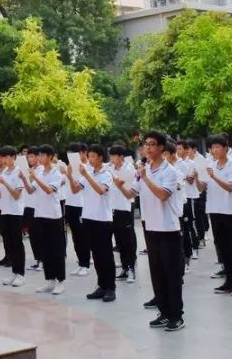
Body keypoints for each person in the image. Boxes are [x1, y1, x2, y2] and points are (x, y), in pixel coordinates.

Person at [137, 131, 184, 332]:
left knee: (171, 274)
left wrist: (145, 178)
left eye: (152, 144)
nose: (148, 148)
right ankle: (164, 312)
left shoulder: (169, 172)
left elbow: (163, 195)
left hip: (168, 228)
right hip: (151, 227)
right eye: (146, 144)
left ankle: (176, 316)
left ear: (162, 148)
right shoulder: (144, 169)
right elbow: (133, 191)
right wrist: (119, 184)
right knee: (157, 273)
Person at [200, 134, 232, 296]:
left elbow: (230, 187)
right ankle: (229, 280)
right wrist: (199, 178)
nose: (214, 150)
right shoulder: (211, 164)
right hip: (214, 210)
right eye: (212, 147)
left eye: (218, 147)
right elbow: (201, 188)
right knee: (222, 247)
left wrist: (214, 176)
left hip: (229, 211)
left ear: (225, 148)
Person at [77, 143, 117, 302]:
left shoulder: (106, 174)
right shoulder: (88, 172)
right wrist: (69, 174)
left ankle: (110, 287)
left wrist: (87, 176)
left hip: (102, 219)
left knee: (106, 254)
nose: (90, 159)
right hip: (88, 217)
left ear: (101, 157)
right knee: (96, 254)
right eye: (89, 157)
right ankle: (101, 285)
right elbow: (75, 189)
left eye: (93, 156)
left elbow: (101, 191)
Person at [29, 145, 67, 295]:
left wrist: (36, 179)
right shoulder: (38, 171)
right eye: (39, 155)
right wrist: (25, 180)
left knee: (56, 249)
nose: (40, 158)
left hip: (53, 215)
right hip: (40, 214)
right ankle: (49, 279)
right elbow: (31, 190)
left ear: (51, 157)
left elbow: (48, 190)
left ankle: (60, 281)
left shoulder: (56, 173)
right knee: (45, 250)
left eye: (43, 155)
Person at [0, 146, 27, 287]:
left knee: (17, 243)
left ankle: (21, 274)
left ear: (14, 157)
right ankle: (14, 272)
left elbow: (16, 194)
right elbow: (2, 195)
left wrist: (4, 183)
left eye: (8, 157)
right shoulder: (5, 172)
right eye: (3, 157)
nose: (5, 160)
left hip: (16, 212)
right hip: (6, 211)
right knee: (10, 242)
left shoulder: (19, 172)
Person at [62, 142, 92, 277]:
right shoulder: (69, 167)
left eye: (78, 153)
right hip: (70, 204)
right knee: (75, 235)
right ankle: (81, 262)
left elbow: (78, 187)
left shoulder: (87, 168)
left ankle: (86, 263)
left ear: (84, 152)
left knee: (83, 236)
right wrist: (66, 173)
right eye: (71, 154)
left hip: (82, 205)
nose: (74, 157)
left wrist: (69, 175)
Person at [109, 145, 138, 282]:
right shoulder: (110, 169)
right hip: (113, 208)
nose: (112, 159)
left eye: (115, 156)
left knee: (127, 240)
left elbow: (131, 189)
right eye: (111, 156)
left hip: (125, 207)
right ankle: (125, 268)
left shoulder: (128, 169)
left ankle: (132, 268)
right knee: (119, 240)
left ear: (121, 157)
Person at [21, 146, 43, 272]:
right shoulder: (28, 170)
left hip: (38, 206)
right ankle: (37, 259)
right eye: (28, 157)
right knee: (33, 235)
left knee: (40, 234)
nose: (30, 159)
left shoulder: (40, 170)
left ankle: (43, 260)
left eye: (32, 156)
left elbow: (33, 187)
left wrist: (29, 176)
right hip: (28, 205)